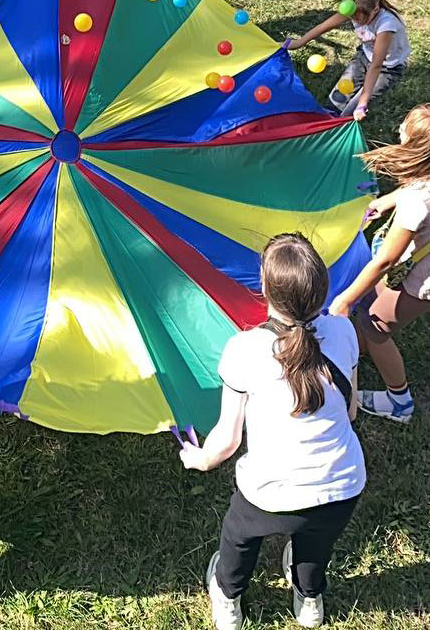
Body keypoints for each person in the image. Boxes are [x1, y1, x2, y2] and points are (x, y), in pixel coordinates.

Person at [181, 234, 365, 630]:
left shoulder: (244, 349)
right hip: (342, 485)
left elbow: (227, 440)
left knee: (238, 539)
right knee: (315, 545)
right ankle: (310, 596)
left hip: (269, 491)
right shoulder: (345, 333)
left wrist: (200, 459)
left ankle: (228, 596)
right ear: (323, 286)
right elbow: (349, 412)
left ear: (264, 288)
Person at [329, 105, 430, 424]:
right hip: (418, 261)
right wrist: (389, 200)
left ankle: (399, 401)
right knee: (374, 308)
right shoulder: (419, 186)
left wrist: (344, 299)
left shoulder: (417, 201)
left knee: (375, 326)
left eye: (404, 128)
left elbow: (386, 259)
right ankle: (357, 343)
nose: (398, 129)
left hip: (422, 280)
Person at [288, 0, 410, 120]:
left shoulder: (386, 26)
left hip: (388, 68)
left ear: (375, 9)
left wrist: (362, 103)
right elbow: (324, 27)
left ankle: (340, 129)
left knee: (352, 110)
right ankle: (327, 122)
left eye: (358, 19)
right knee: (337, 99)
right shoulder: (354, 9)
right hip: (364, 56)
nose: (354, 20)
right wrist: (299, 42)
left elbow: (376, 65)